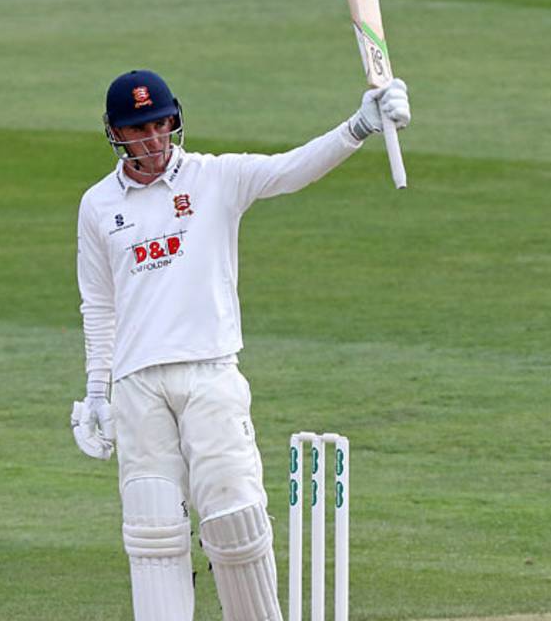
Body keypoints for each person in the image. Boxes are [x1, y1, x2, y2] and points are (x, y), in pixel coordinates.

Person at [71, 69, 410, 621]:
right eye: (139, 131)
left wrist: (359, 126)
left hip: (209, 371)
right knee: (153, 530)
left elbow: (290, 170)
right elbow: (99, 305)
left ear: (174, 121)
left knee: (234, 518)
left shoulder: (215, 178)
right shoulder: (97, 205)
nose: (153, 141)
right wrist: (96, 392)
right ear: (116, 133)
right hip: (137, 384)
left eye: (160, 126)